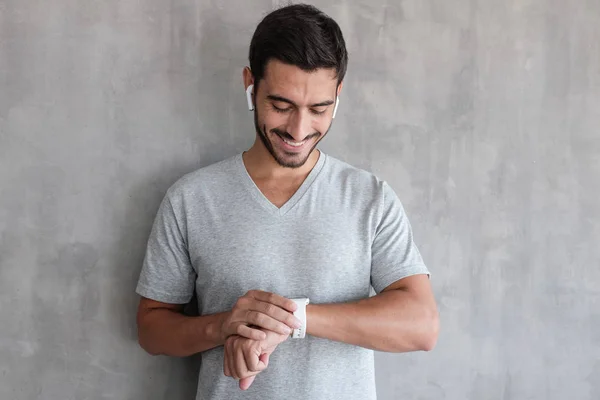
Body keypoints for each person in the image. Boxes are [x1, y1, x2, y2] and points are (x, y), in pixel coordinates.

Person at [135, 3, 439, 399]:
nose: (298, 129)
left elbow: (421, 325)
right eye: (281, 106)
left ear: (338, 94)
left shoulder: (370, 198)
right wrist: (225, 325)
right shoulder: (192, 199)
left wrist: (293, 318)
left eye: (319, 109)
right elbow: (151, 329)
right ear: (251, 84)